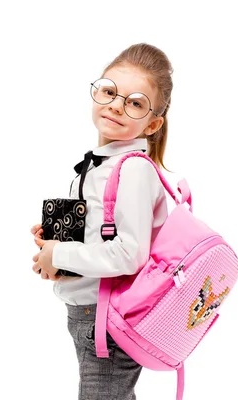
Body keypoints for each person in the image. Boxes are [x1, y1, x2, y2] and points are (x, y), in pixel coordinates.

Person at [30, 43, 174, 399]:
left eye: (135, 102)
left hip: (107, 322)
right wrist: (54, 247)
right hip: (91, 315)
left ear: (153, 123)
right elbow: (101, 234)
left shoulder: (134, 170)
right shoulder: (100, 164)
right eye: (109, 91)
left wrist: (61, 254)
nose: (116, 105)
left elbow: (130, 254)